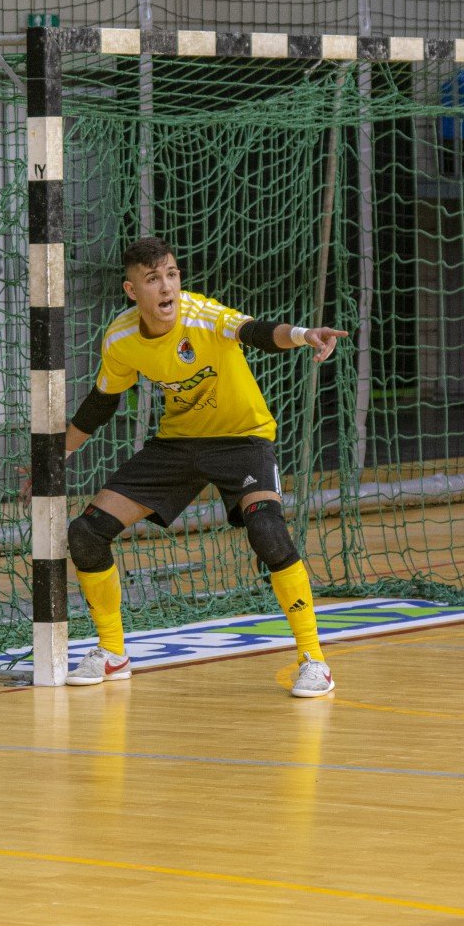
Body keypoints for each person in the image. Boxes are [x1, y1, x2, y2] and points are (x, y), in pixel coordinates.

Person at [44, 238, 348, 696]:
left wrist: (306, 335)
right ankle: (112, 653)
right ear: (133, 290)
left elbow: (259, 332)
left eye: (171, 274)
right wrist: (55, 457)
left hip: (241, 439)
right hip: (179, 443)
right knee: (87, 534)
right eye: (153, 279)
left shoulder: (200, 314)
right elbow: (101, 403)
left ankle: (314, 660)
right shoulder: (122, 338)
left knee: (266, 530)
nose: (166, 287)